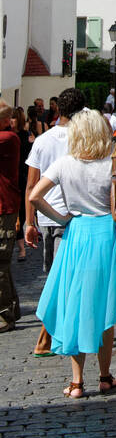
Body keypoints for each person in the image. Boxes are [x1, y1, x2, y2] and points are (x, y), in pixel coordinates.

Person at [30, 109, 116, 397]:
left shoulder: (64, 164)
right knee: (105, 308)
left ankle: (76, 382)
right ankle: (104, 376)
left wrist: (62, 218)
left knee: (76, 305)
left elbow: (34, 195)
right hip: (107, 235)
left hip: (77, 234)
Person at [24, 87, 88, 356]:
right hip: (71, 215)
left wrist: (29, 222)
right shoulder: (84, 139)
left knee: (54, 276)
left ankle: (53, 333)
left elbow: (31, 185)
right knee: (65, 279)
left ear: (58, 109)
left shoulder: (43, 140)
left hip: (45, 214)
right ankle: (49, 334)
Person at [0, 103, 21, 332]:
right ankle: (11, 308)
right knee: (3, 264)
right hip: (4, 206)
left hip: (4, 207)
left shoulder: (7, 137)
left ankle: (4, 314)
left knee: (0, 263)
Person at [14, 107, 29, 261]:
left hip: (22, 177)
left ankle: (20, 246)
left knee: (21, 214)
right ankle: (21, 248)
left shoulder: (24, 137)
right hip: (11, 179)